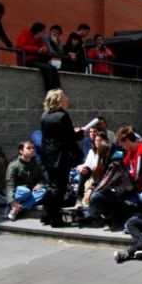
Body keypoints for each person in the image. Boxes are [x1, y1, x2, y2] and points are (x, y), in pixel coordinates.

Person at [40, 89, 83, 227]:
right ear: (59, 99)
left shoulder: (45, 116)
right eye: (64, 96)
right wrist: (80, 133)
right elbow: (69, 139)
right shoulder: (63, 116)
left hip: (48, 156)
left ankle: (46, 215)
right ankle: (56, 219)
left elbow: (51, 137)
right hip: (60, 157)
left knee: (52, 187)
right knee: (60, 188)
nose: (67, 98)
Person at [84, 140, 137, 230]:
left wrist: (91, 192)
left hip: (127, 198)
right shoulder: (105, 163)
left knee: (96, 196)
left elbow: (105, 183)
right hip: (116, 194)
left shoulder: (115, 164)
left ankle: (115, 220)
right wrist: (90, 188)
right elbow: (98, 180)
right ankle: (106, 219)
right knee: (95, 196)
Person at [4, 140, 49, 221]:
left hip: (31, 191)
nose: (32, 150)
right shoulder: (13, 165)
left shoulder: (36, 165)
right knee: (25, 191)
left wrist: (40, 184)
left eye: (33, 148)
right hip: (18, 192)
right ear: (21, 151)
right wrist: (11, 201)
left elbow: (43, 179)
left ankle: (19, 208)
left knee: (43, 191)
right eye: (28, 148)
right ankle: (11, 205)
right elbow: (9, 186)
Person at [15, 22, 61, 92]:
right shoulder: (26, 33)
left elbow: (46, 48)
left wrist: (44, 49)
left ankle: (57, 93)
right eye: (43, 32)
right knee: (47, 68)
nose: (44, 34)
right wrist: (37, 49)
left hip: (36, 59)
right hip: (26, 60)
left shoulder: (40, 38)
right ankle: (49, 93)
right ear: (38, 31)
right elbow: (20, 46)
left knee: (54, 69)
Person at [118, 126, 142, 193]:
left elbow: (136, 177)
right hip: (132, 185)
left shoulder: (141, 152)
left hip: (139, 189)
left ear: (127, 140)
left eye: (121, 143)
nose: (121, 146)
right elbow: (123, 165)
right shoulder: (131, 150)